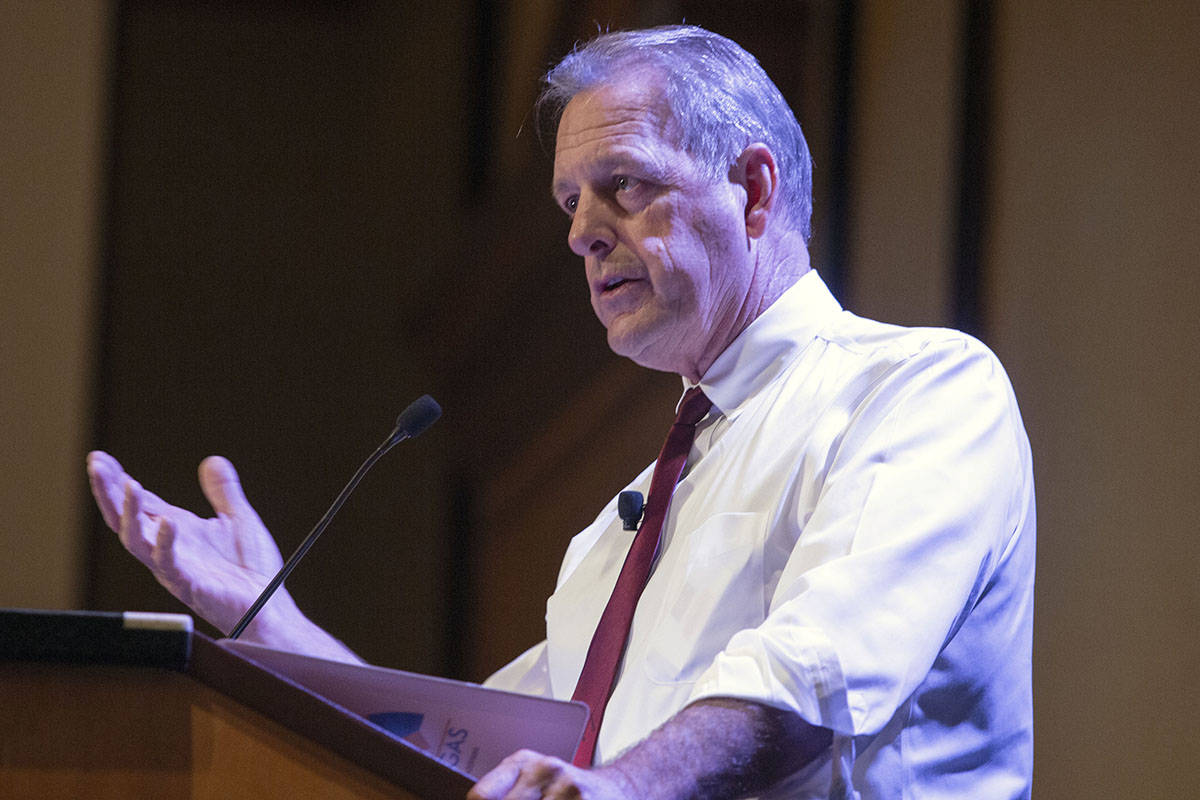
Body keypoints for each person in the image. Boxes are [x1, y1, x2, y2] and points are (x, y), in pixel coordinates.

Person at [87, 25, 1034, 800]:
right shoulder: (612, 537)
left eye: (624, 184)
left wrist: (616, 788)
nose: (582, 232)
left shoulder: (920, 390)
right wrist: (268, 622)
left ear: (752, 191)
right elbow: (465, 749)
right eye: (570, 201)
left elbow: (816, 673)